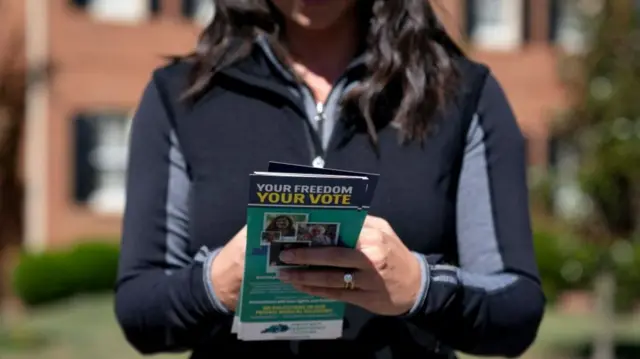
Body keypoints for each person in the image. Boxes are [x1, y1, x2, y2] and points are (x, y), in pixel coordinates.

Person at [115, 0, 546, 358]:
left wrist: (422, 287)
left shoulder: (462, 95)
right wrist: (214, 283)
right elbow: (140, 311)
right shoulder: (180, 96)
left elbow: (515, 309)